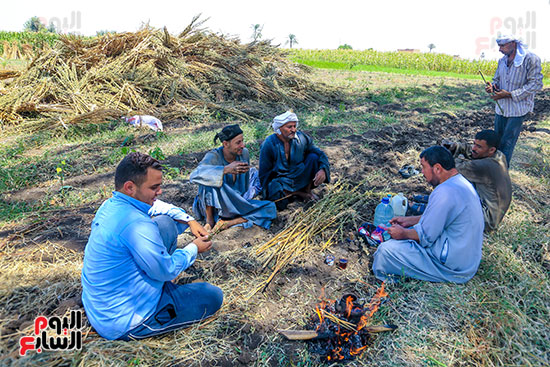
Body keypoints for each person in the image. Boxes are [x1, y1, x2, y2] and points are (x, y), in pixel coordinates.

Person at [82, 152, 223, 341]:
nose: (160, 192)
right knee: (212, 296)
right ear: (130, 187)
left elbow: (159, 207)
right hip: (128, 321)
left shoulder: (111, 206)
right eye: (154, 187)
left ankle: (160, 288)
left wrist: (189, 220)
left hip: (103, 307)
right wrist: (194, 248)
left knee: (164, 223)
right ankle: (158, 309)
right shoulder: (137, 226)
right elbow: (167, 270)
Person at [372, 146, 484, 284]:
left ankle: (393, 279)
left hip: (452, 267)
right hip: (466, 261)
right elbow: (443, 218)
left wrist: (404, 233)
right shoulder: (461, 183)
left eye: (424, 167)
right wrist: (410, 221)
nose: (422, 172)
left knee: (386, 251)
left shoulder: (445, 192)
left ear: (437, 168)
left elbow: (425, 236)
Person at [189, 124, 277, 231]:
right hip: (216, 205)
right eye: (238, 142)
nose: (243, 145)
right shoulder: (214, 156)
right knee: (208, 180)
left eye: (242, 141)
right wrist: (225, 170)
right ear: (225, 144)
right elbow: (194, 176)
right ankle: (210, 221)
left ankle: (229, 222)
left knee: (270, 207)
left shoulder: (244, 154)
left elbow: (243, 188)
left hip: (235, 201)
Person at [485, 35, 543, 166]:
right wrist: (492, 87)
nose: (500, 49)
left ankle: (502, 173)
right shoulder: (502, 61)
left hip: (518, 109)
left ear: (513, 43)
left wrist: (510, 94)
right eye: (499, 46)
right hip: (501, 108)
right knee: (497, 141)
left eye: (502, 46)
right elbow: (496, 80)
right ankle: (494, 169)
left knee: (507, 142)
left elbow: (536, 84)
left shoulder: (531, 59)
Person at [443, 129, 512, 232]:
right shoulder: (499, 156)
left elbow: (452, 169)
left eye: (479, 146)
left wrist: (445, 154)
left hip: (486, 220)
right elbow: (473, 152)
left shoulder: (484, 166)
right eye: (474, 144)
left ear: (491, 150)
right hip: (493, 213)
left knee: (451, 181)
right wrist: (456, 146)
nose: (474, 148)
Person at [259, 111, 330, 209]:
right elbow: (264, 174)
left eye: (294, 126)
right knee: (276, 197)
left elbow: (319, 153)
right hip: (282, 180)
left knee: (313, 157)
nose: (294, 130)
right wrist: (267, 190)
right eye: (289, 127)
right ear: (279, 128)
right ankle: (299, 193)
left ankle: (307, 190)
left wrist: (323, 169)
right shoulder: (269, 144)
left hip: (299, 175)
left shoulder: (301, 138)